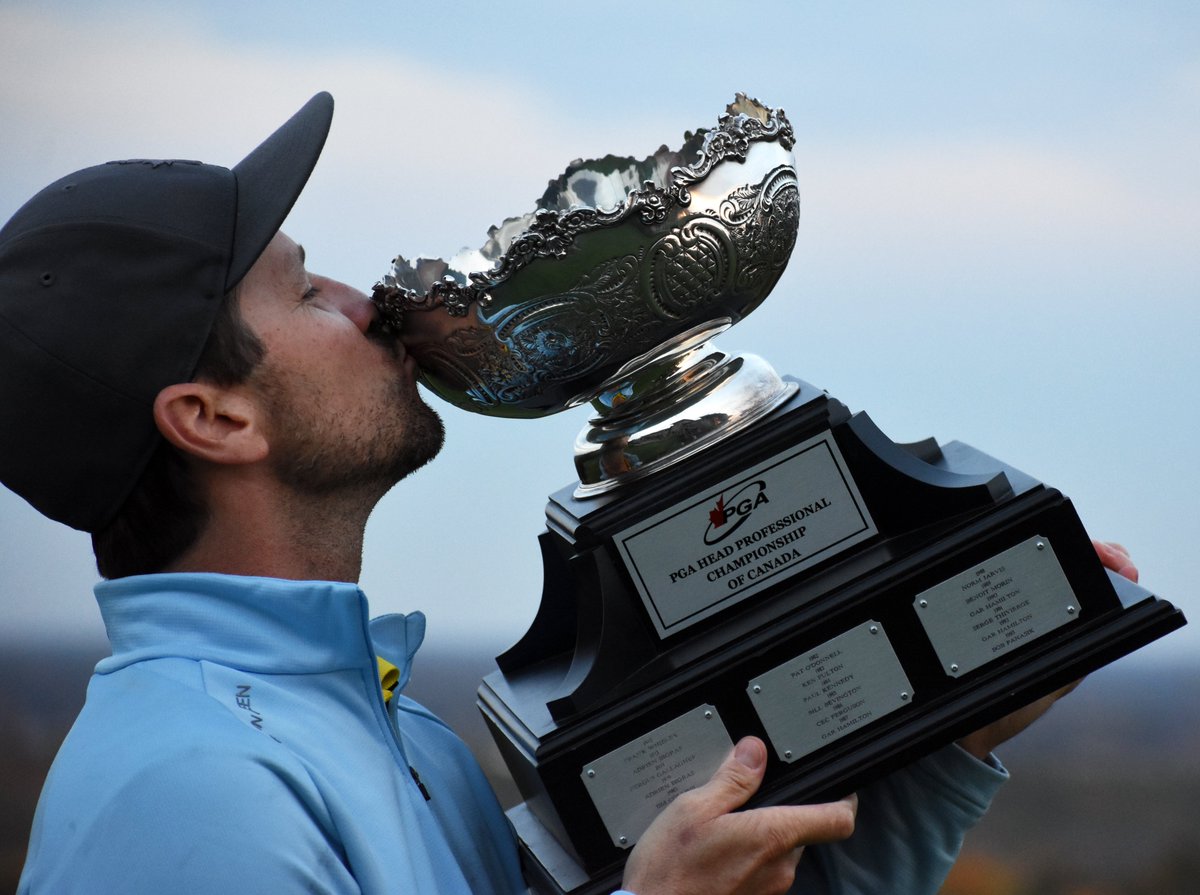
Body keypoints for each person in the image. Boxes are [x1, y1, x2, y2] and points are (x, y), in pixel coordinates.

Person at [1, 92, 1137, 895]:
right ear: (213, 418)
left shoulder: (378, 724)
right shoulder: (187, 791)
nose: (368, 306)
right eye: (305, 290)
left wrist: (941, 737)